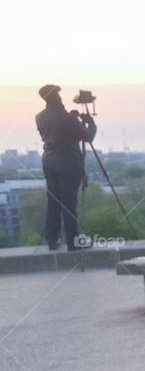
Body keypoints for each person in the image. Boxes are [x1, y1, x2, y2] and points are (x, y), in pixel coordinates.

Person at [35, 84, 97, 250]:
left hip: (49, 162)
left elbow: (53, 132)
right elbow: (88, 137)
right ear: (55, 97)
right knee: (69, 203)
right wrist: (90, 123)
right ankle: (73, 241)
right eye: (59, 95)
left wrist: (73, 119)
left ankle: (52, 239)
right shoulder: (67, 118)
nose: (61, 98)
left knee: (53, 201)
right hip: (68, 163)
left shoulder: (40, 116)